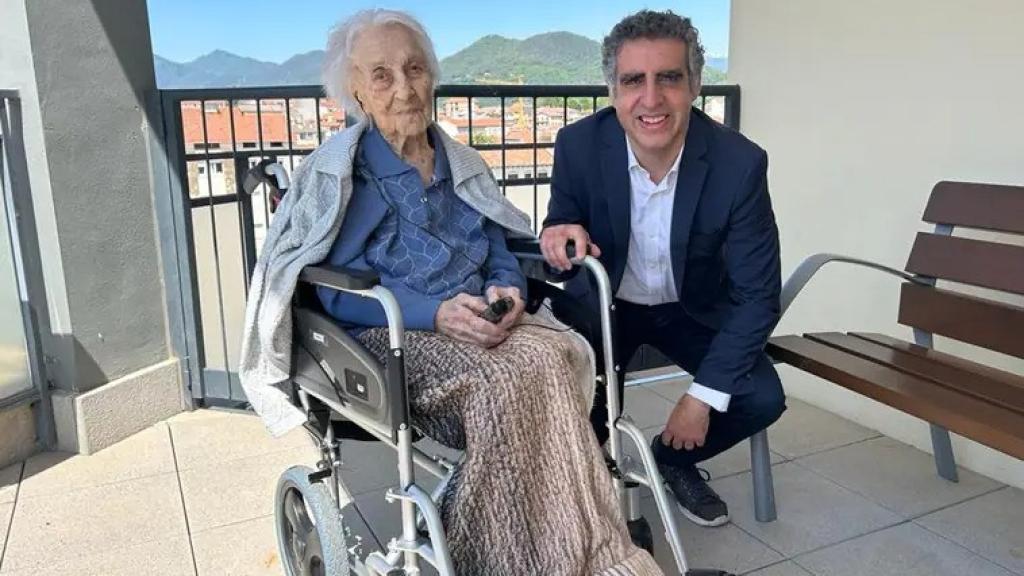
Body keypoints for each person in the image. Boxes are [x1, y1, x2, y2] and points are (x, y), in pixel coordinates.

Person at [299, 9, 661, 576]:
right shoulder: (344, 176)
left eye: (415, 68)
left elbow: (496, 244)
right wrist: (435, 312)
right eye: (382, 75)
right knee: (507, 381)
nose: (404, 88)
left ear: (434, 77)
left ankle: (572, 547)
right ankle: (522, 555)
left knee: (558, 352)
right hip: (396, 331)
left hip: (485, 316)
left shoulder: (459, 163)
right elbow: (333, 291)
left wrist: (508, 289)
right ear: (355, 93)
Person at [539, 9, 787, 528]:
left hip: (690, 311)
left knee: (760, 396)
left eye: (669, 78)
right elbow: (561, 219)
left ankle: (670, 460)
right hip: (606, 309)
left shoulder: (739, 164)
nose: (650, 100)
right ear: (613, 90)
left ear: (695, 85)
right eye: (634, 80)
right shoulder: (579, 145)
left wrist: (700, 398)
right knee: (574, 416)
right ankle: (589, 491)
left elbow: (758, 294)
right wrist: (559, 233)